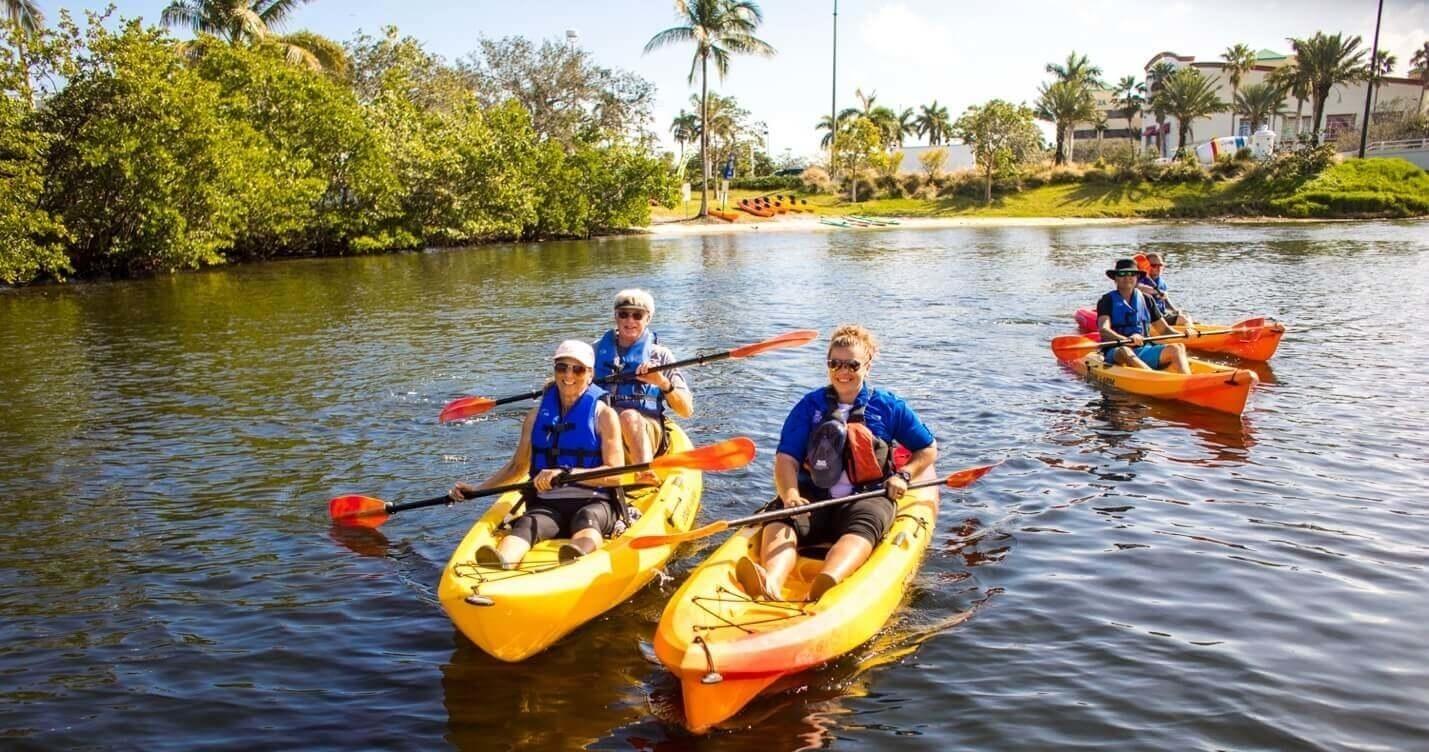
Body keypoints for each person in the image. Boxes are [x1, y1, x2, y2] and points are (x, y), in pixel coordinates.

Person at [735, 325, 938, 602]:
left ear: (867, 364)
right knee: (780, 518)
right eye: (835, 363)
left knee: (864, 525)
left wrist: (903, 475)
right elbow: (786, 458)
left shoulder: (889, 406)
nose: (843, 371)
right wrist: (791, 495)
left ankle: (826, 580)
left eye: (852, 364)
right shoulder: (809, 406)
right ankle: (771, 581)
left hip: (869, 495)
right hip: (815, 495)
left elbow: (927, 448)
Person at [448, 340, 625, 569]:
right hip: (548, 502)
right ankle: (499, 565)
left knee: (586, 521)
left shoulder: (605, 416)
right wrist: (479, 489)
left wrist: (566, 472)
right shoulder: (535, 417)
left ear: (590, 374)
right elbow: (517, 467)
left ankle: (576, 558)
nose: (568, 375)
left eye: (577, 369)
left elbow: (616, 474)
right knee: (527, 524)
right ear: (555, 371)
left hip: (593, 501)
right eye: (562, 367)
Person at [593, 289, 694, 464]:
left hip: (643, 426)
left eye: (637, 315)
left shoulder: (661, 356)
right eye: (623, 314)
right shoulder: (594, 351)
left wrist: (662, 383)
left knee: (629, 417)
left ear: (648, 319)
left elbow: (686, 411)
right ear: (615, 317)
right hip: (603, 424)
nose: (630, 320)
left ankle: (643, 473)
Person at [1098, 258, 1198, 374]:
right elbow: (1104, 330)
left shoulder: (1147, 299)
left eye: (1131, 274)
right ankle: (1154, 378)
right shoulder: (1107, 300)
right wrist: (1126, 340)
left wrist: (1184, 334)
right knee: (1124, 350)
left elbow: (1164, 330)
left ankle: (1186, 380)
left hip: (1143, 349)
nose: (1127, 277)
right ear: (1115, 278)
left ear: (1137, 277)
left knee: (1177, 347)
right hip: (1116, 351)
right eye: (1122, 274)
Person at [1135, 252, 1193, 327]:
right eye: (1154, 265)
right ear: (1147, 266)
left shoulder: (1161, 282)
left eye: (1160, 265)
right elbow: (1138, 287)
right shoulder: (1140, 279)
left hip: (1162, 315)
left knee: (1185, 314)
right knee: (1182, 319)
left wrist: (1175, 310)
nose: (1158, 268)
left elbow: (1165, 300)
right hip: (1150, 318)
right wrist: (1156, 291)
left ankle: (1190, 328)